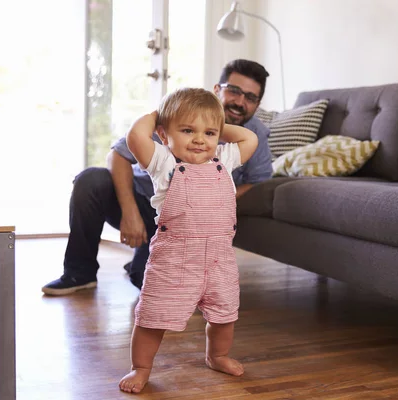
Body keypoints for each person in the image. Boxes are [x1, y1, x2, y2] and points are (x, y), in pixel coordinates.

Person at [41, 59, 272, 294]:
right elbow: (118, 155)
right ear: (217, 89)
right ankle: (79, 273)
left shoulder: (252, 136)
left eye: (250, 97)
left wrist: (209, 201)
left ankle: (143, 260)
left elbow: (258, 183)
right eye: (234, 91)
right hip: (141, 197)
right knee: (90, 180)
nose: (240, 102)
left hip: (181, 223)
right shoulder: (180, 114)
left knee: (147, 280)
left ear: (258, 103)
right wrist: (130, 212)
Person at [118, 87, 257, 393]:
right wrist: (163, 116)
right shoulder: (163, 163)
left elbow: (250, 139)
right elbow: (135, 136)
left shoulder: (223, 158)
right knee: (153, 317)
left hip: (219, 259)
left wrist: (215, 124)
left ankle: (217, 355)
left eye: (208, 132)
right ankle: (140, 367)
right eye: (187, 130)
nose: (199, 139)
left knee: (224, 315)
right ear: (164, 135)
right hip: (175, 261)